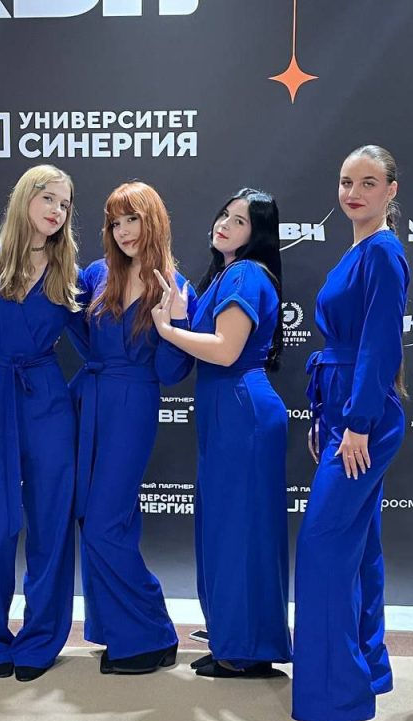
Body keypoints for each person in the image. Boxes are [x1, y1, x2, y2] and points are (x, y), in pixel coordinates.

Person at [291, 145, 410, 721]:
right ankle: (369, 664)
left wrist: (358, 423)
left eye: (367, 182)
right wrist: (327, 417)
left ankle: (337, 692)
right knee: (360, 547)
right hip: (342, 408)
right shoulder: (360, 249)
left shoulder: (382, 252)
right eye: (345, 182)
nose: (353, 192)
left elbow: (380, 343)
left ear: (391, 190)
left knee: (323, 546)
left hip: (364, 416)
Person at [152, 188, 290, 678]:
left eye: (240, 221)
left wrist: (168, 330)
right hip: (227, 409)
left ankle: (246, 649)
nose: (225, 224)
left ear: (258, 234)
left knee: (239, 530)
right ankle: (236, 639)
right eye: (225, 214)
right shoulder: (227, 274)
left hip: (240, 408)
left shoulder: (246, 274)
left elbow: (225, 350)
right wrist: (177, 313)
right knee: (228, 528)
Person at [71, 181, 195, 675]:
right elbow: (75, 329)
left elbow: (171, 372)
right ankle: (121, 629)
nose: (123, 231)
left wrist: (173, 325)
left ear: (153, 221)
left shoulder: (175, 286)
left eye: (132, 219)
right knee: (94, 519)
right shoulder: (97, 274)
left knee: (105, 521)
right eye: (115, 222)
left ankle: (153, 632)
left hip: (134, 404)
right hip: (89, 398)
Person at [0, 164, 79, 682]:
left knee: (51, 521)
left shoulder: (69, 271)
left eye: (65, 204)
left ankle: (41, 637)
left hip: (46, 400)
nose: (57, 211)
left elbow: (100, 343)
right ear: (24, 199)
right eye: (49, 198)